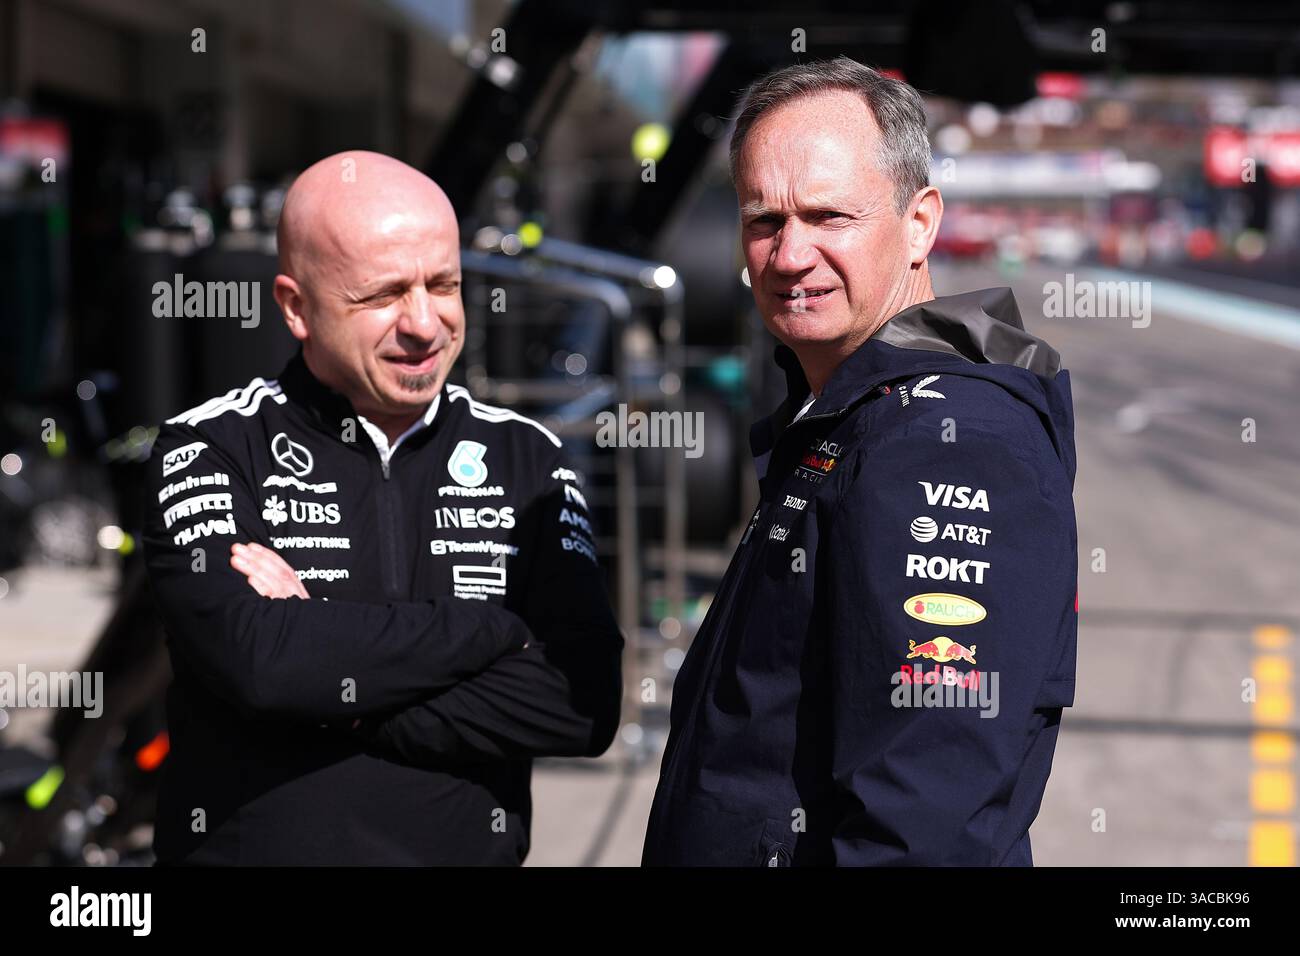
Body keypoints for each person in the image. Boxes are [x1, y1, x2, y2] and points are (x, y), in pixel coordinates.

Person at [642, 58, 1078, 866]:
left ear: (920, 224)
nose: (789, 255)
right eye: (764, 220)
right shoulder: (848, 413)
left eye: (829, 216)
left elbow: (923, 823)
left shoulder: (946, 442)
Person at [143, 150, 623, 865]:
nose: (425, 324)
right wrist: (489, 630)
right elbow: (259, 664)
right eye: (383, 295)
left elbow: (580, 703)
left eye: (444, 285)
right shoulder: (212, 447)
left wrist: (331, 691)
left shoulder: (528, 458)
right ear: (296, 307)